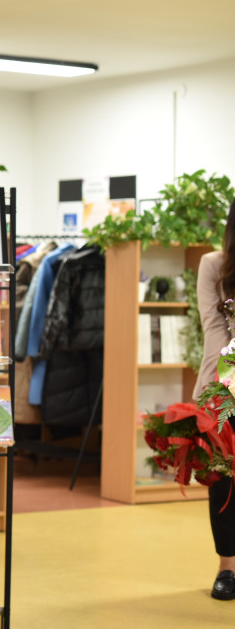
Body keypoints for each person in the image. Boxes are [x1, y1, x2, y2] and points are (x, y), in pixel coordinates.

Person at [195, 199, 235, 601]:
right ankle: (228, 567)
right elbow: (214, 328)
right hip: (229, 384)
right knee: (224, 480)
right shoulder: (215, 265)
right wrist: (215, 389)